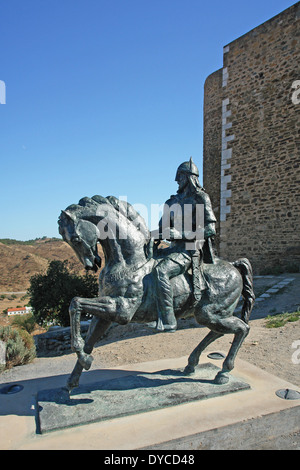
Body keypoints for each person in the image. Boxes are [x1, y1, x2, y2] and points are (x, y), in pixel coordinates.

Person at [149, 157, 216, 332]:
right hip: (171, 249)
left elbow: (210, 229)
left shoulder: (200, 197)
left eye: (179, 176)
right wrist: (152, 236)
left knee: (160, 271)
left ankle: (168, 319)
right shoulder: (171, 201)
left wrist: (181, 234)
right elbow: (162, 229)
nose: (176, 180)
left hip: (189, 250)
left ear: (188, 177)